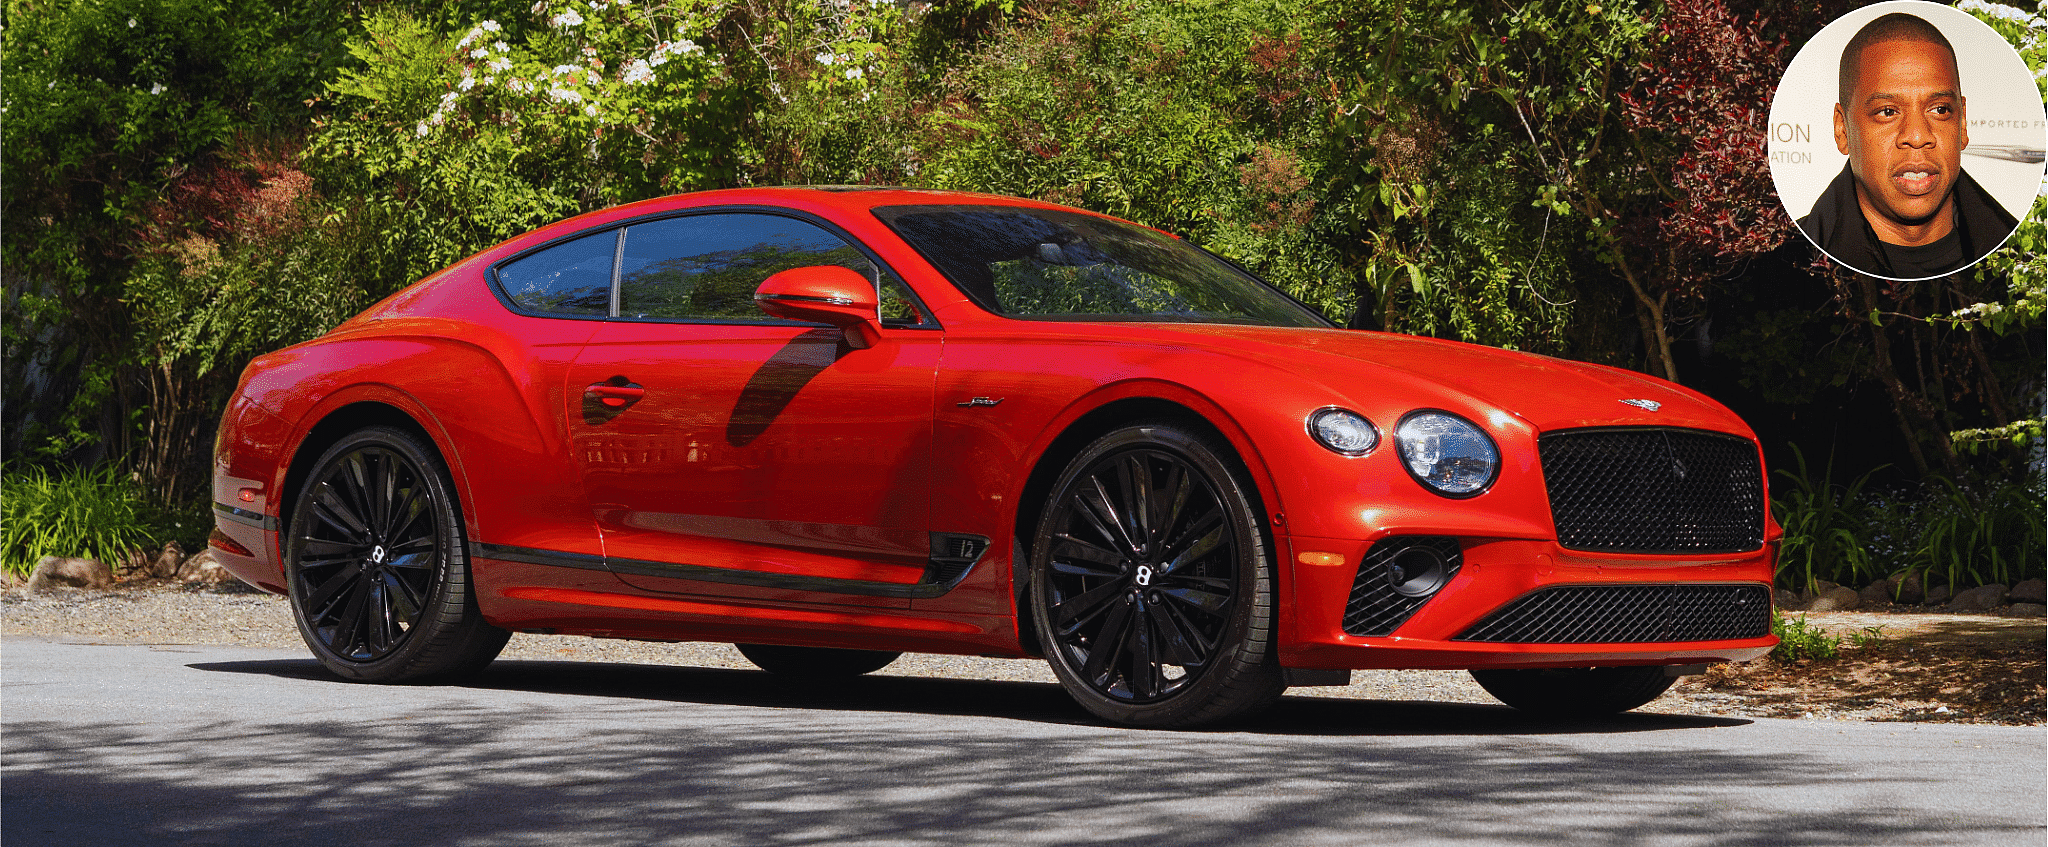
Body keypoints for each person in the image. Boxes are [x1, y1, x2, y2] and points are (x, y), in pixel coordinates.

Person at [1796, 12, 2018, 279]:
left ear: (1962, 124)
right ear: (1842, 130)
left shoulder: (2028, 261)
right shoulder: (1787, 265)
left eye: (1940, 109)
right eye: (1888, 112)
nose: (1916, 136)